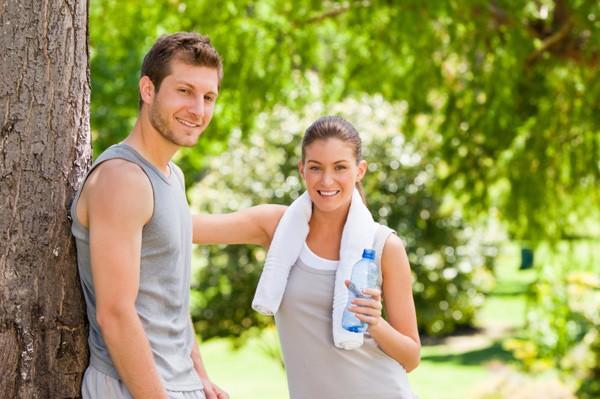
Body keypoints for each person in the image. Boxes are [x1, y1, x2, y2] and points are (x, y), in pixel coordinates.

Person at [194, 115, 420, 398]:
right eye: (316, 168)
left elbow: (411, 358)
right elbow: (187, 227)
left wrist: (376, 322)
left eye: (340, 167)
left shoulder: (384, 245)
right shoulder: (275, 226)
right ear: (302, 170)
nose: (327, 180)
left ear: (359, 170)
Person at [70, 32, 228, 399]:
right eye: (184, 91)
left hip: (177, 383)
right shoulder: (122, 179)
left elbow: (169, 298)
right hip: (135, 387)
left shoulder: (172, 177)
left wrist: (199, 374)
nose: (198, 110)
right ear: (147, 89)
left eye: (208, 97)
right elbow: (115, 314)